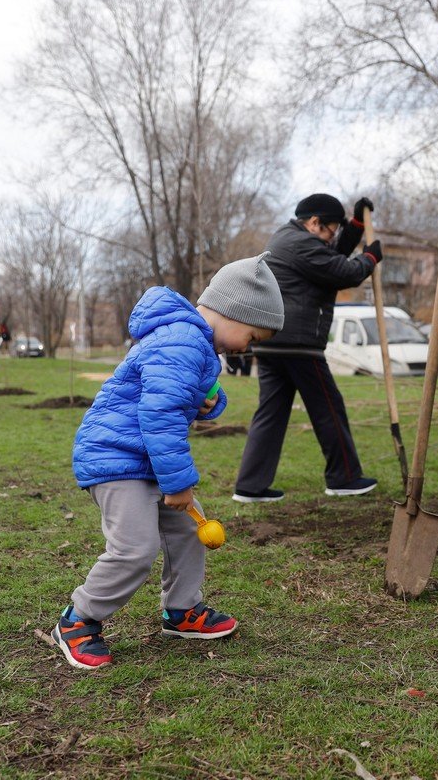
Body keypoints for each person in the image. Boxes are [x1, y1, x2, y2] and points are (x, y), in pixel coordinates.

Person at [52, 254, 284, 669]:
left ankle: (182, 611)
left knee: (189, 532)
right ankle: (78, 620)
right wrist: (178, 484)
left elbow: (180, 400)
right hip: (116, 457)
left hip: (144, 457)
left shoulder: (193, 343)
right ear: (231, 312)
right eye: (251, 336)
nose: (248, 348)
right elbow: (159, 416)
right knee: (135, 549)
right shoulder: (183, 341)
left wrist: (210, 402)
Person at [232, 194, 383, 502]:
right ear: (314, 222)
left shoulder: (288, 239)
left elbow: (330, 258)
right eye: (331, 229)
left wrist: (354, 226)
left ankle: (250, 486)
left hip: (274, 343)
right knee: (328, 409)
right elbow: (344, 271)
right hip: (298, 344)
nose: (332, 237)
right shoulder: (301, 245)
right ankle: (344, 478)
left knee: (270, 414)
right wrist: (369, 258)